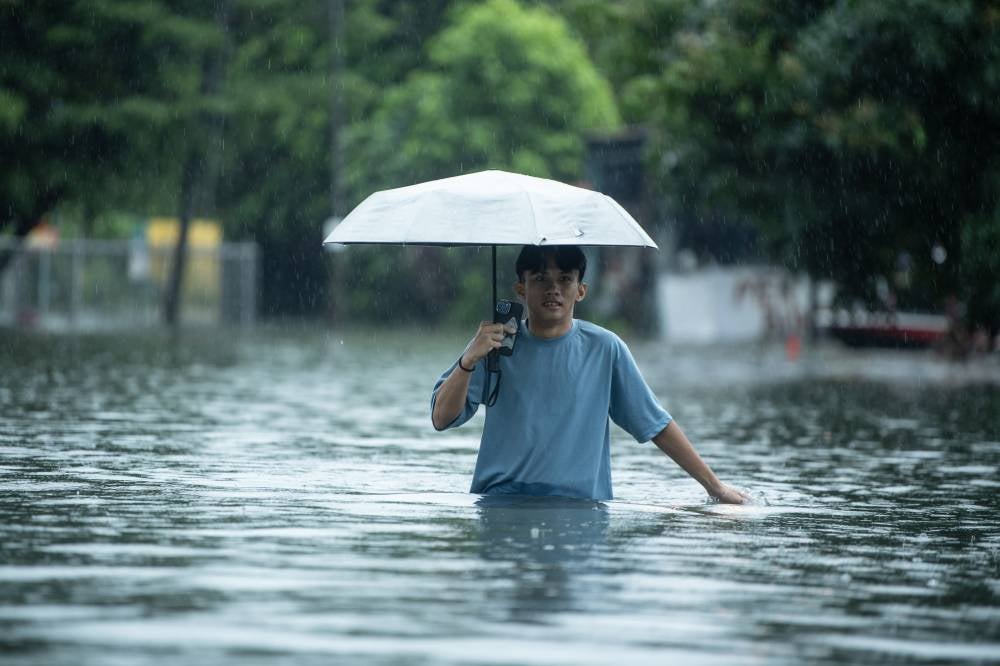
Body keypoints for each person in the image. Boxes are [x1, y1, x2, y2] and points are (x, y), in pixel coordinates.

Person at [431, 245, 747, 504]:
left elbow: (655, 423)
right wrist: (469, 359)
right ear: (521, 289)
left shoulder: (605, 349)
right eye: (540, 279)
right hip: (499, 502)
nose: (553, 289)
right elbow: (441, 418)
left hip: (579, 505)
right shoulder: (494, 347)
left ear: (580, 290)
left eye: (565, 279)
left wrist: (714, 487)